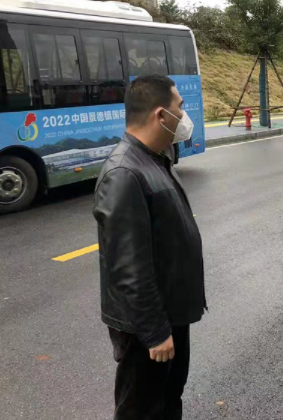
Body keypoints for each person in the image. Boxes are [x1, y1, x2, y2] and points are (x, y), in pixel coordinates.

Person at [93, 75, 206, 420]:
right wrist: (155, 333)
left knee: (168, 398)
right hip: (147, 327)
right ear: (161, 115)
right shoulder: (125, 172)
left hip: (169, 313)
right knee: (142, 410)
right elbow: (128, 266)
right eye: (180, 107)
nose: (184, 116)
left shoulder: (155, 158)